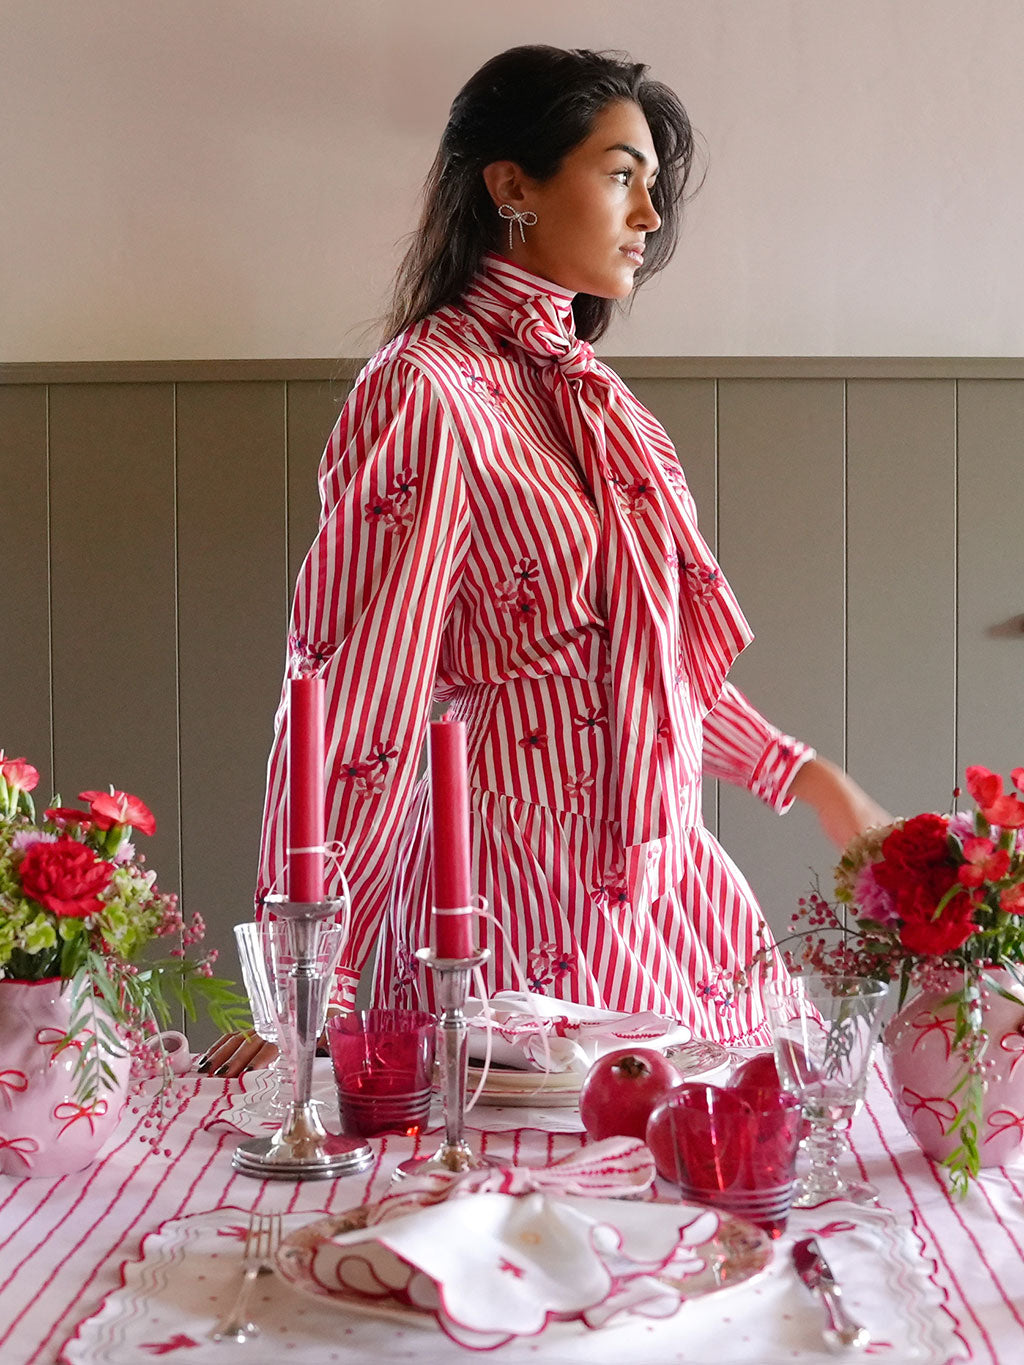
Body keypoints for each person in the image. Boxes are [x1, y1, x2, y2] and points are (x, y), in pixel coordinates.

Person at [201, 45, 886, 1077]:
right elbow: (357, 695)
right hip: (507, 906)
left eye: (654, 186)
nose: (650, 219)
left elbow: (630, 660)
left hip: (666, 891)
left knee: (733, 1207)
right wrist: (305, 988)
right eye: (620, 176)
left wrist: (804, 775)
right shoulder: (431, 392)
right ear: (512, 185)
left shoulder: (592, 400)